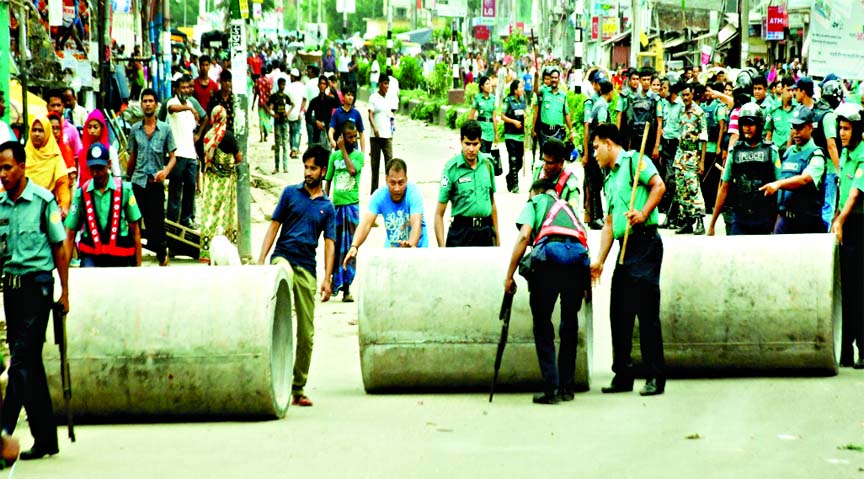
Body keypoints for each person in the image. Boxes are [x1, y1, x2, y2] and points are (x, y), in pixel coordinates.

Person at [0, 140, 69, 460]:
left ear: (22, 167)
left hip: (38, 289)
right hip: (12, 291)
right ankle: (46, 440)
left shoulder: (43, 202)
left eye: (7, 167)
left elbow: (59, 247)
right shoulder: (0, 206)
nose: (2, 174)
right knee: (31, 367)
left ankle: (2, 430)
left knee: (21, 360)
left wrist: (64, 291)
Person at [589, 123, 667, 397]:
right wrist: (599, 259)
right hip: (624, 247)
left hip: (645, 242)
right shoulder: (608, 178)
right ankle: (623, 374)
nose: (595, 153)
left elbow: (659, 186)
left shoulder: (636, 161)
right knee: (618, 312)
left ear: (609, 143)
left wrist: (643, 212)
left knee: (646, 313)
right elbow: (610, 223)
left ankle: (655, 377)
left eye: (597, 147)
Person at [257, 145, 336, 407]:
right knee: (283, 277)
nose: (308, 172)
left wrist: (327, 277)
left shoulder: (328, 207)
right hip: (283, 258)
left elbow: (329, 243)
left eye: (313, 168)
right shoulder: (290, 194)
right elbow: (274, 227)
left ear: (323, 170)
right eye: (306, 167)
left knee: (307, 334)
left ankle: (297, 387)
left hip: (307, 268)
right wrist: (261, 260)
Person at [504, 176, 590, 404]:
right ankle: (567, 388)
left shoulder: (535, 202)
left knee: (542, 323)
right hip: (576, 261)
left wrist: (509, 274)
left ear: (537, 193)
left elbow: (524, 235)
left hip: (549, 260)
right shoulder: (569, 208)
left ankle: (551, 389)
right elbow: (584, 239)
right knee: (569, 323)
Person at [707, 103, 780, 236]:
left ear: (759, 125)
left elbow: (780, 189)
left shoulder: (771, 152)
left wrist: (777, 223)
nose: (747, 128)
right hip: (740, 218)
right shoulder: (734, 152)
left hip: (765, 218)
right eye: (744, 124)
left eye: (751, 124)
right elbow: (724, 187)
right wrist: (712, 224)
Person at [64, 143, 142, 267]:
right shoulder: (82, 194)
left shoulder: (125, 190)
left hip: (119, 252)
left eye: (100, 168)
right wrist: (64, 274)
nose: (96, 173)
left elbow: (135, 230)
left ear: (109, 164)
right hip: (91, 254)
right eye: (93, 168)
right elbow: (70, 232)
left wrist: (139, 266)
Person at [342, 158, 427, 268]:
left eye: (401, 183)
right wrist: (354, 246)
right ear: (386, 180)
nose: (397, 188)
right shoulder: (379, 196)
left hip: (417, 250)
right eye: (392, 183)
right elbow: (366, 223)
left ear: (406, 180)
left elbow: (416, 224)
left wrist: (410, 247)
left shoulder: (414, 194)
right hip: (392, 250)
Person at [829, 103, 864, 368]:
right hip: (845, 228)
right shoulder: (845, 153)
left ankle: (862, 349)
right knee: (845, 289)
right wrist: (835, 220)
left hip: (860, 226)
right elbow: (842, 193)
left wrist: (841, 220)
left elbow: (855, 194)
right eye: (840, 128)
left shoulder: (863, 155)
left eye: (847, 129)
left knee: (859, 290)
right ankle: (845, 349)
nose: (842, 133)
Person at [126, 88, 177, 266]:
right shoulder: (134, 130)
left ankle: (163, 257)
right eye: (144, 101)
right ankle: (134, 259)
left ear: (156, 104)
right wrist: (127, 180)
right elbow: (131, 158)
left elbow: (173, 158)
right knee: (134, 223)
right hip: (137, 184)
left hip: (155, 184)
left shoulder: (165, 130)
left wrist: (165, 171)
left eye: (150, 101)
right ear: (141, 105)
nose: (147, 104)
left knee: (156, 224)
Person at [759, 106, 826, 234]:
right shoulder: (789, 152)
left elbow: (805, 179)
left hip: (807, 222)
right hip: (785, 220)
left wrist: (778, 184)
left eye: (800, 127)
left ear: (810, 127)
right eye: (793, 127)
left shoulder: (816, 155)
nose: (795, 132)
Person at [434, 120, 500, 247]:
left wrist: (497, 240)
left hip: (485, 233)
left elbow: (492, 204)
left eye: (475, 144)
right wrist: (442, 250)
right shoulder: (451, 169)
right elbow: (438, 214)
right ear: (461, 141)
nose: (471, 149)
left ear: (480, 142)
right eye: (467, 144)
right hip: (461, 234)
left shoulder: (487, 165)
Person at [794, 77, 840, 230]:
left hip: (821, 169)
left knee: (822, 207)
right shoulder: (820, 114)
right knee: (821, 207)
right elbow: (831, 144)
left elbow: (828, 144)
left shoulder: (819, 114)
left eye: (797, 90)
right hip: (819, 169)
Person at [324, 122, 363, 303]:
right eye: (349, 137)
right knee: (335, 246)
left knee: (349, 248)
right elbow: (328, 180)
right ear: (342, 137)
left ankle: (347, 288)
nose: (353, 140)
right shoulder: (334, 157)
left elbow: (352, 170)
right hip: (336, 207)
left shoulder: (358, 156)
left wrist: (343, 150)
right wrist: (325, 201)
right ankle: (333, 282)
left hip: (352, 208)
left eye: (355, 136)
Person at [199, 105, 242, 264]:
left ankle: (207, 252)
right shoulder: (228, 136)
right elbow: (238, 158)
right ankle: (224, 250)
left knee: (210, 215)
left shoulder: (208, 136)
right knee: (225, 215)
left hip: (211, 182)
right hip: (225, 183)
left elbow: (204, 158)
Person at [672, 84, 708, 235]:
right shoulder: (680, 110)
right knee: (681, 189)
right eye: (683, 95)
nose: (685, 98)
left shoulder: (699, 113)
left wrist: (702, 161)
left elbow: (704, 138)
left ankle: (699, 220)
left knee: (693, 188)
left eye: (688, 95)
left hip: (693, 154)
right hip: (680, 154)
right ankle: (686, 221)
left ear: (692, 95)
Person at [166, 74, 200, 228]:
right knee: (175, 190)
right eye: (183, 87)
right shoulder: (173, 102)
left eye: (188, 87)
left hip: (190, 155)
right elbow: (172, 109)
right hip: (178, 155)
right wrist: (189, 108)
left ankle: (186, 220)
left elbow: (191, 130)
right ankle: (172, 222)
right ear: (177, 89)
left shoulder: (189, 108)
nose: (186, 90)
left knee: (190, 188)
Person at [24, 116, 72, 215]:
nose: (37, 134)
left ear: (47, 132)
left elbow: (62, 183)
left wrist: (63, 205)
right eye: (34, 130)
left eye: (41, 131)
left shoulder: (55, 156)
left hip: (46, 208)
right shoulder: (24, 155)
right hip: (24, 207)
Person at [585, 79, 614, 229]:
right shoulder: (602, 107)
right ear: (611, 92)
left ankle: (596, 216)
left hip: (592, 149)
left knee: (594, 183)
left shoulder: (596, 105)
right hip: (597, 151)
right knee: (596, 183)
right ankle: (596, 217)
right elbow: (601, 128)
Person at [658, 81, 684, 226]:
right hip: (666, 145)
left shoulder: (681, 105)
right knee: (669, 181)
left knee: (675, 181)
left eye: (664, 88)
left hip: (677, 145)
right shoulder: (664, 104)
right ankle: (670, 216)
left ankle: (676, 216)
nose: (661, 90)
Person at [533, 66, 575, 153]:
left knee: (557, 157)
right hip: (544, 132)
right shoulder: (544, 91)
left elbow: (566, 114)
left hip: (558, 133)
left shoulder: (563, 95)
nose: (554, 80)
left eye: (556, 78)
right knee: (546, 157)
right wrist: (536, 78)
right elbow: (536, 91)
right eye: (552, 77)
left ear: (559, 79)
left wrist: (571, 131)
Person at [80, 110, 122, 183]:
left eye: (95, 127)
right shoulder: (82, 151)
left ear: (102, 128)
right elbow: (79, 176)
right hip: (85, 191)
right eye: (89, 127)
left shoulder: (110, 151)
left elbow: (117, 175)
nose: (92, 131)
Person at [368, 76, 393, 194]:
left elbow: (391, 116)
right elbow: (370, 115)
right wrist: (375, 128)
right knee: (375, 164)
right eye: (384, 84)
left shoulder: (389, 98)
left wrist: (392, 130)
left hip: (387, 135)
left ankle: (390, 188)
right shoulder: (373, 97)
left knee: (390, 162)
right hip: (375, 136)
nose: (386, 86)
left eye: (388, 84)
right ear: (379, 84)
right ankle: (374, 191)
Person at [501, 79, 526, 193]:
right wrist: (514, 122)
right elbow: (502, 116)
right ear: (515, 90)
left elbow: (524, 112)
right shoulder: (508, 100)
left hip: (520, 136)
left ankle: (509, 177)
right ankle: (515, 185)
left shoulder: (522, 100)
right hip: (510, 135)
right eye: (520, 88)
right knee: (513, 160)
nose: (522, 90)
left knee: (520, 161)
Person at [765, 76, 796, 161]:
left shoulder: (798, 108)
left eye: (793, 90)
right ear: (782, 89)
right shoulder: (773, 109)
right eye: (788, 90)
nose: (791, 94)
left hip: (793, 152)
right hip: (777, 153)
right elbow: (769, 134)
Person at [307, 75, 340, 150]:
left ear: (326, 86)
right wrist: (315, 121)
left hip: (328, 129)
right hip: (317, 131)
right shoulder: (314, 101)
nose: (322, 85)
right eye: (321, 83)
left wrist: (332, 89)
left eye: (324, 84)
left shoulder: (329, 100)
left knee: (328, 153)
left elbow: (339, 105)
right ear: (318, 85)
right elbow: (307, 116)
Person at [469, 76, 499, 154]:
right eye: (487, 84)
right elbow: (471, 115)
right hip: (481, 129)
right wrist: (470, 129)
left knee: (488, 153)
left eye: (490, 84)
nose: (489, 86)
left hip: (490, 129)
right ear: (482, 86)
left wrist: (496, 133)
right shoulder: (478, 98)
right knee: (483, 152)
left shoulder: (493, 99)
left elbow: (494, 117)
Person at [267, 78, 291, 173]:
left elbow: (292, 104)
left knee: (285, 144)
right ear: (279, 85)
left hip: (284, 121)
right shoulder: (274, 96)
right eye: (281, 84)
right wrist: (272, 114)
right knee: (277, 146)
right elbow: (268, 106)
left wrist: (287, 113)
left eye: (284, 85)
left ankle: (285, 167)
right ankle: (277, 167)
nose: (282, 86)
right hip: (277, 122)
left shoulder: (285, 96)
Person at [286, 68, 307, 159]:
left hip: (290, 112)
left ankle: (293, 148)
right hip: (298, 112)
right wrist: (301, 111)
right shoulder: (302, 86)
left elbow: (286, 100)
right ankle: (295, 149)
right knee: (297, 132)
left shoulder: (288, 87)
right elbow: (304, 100)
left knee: (291, 132)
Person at [256, 64, 274, 143]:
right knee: (267, 119)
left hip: (261, 103)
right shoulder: (269, 81)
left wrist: (253, 104)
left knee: (261, 120)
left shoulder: (258, 81)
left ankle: (261, 137)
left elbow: (256, 93)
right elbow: (270, 92)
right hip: (268, 102)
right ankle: (266, 135)